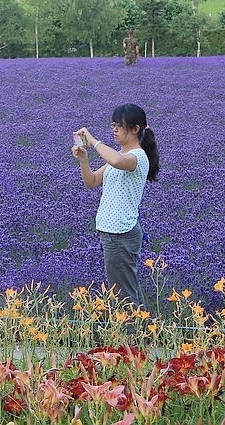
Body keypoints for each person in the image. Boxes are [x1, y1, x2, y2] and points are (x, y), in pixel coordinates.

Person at [72, 103, 160, 309]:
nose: (114, 129)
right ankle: (143, 333)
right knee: (125, 289)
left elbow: (118, 161)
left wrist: (93, 141)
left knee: (123, 294)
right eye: (113, 125)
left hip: (121, 233)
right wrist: (84, 160)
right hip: (111, 232)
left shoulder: (137, 157)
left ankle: (131, 338)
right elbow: (91, 181)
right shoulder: (118, 158)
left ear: (135, 129)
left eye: (119, 126)